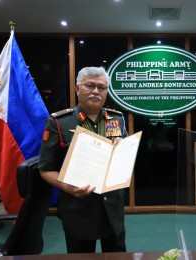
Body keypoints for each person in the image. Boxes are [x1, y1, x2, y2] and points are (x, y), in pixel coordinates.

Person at [39, 67, 128, 253]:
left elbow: (125, 162)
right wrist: (66, 187)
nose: (96, 91)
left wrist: (123, 152)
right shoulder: (59, 122)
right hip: (78, 207)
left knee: (117, 255)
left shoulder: (117, 119)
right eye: (90, 85)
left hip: (112, 206)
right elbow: (46, 169)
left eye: (102, 88)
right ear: (77, 88)